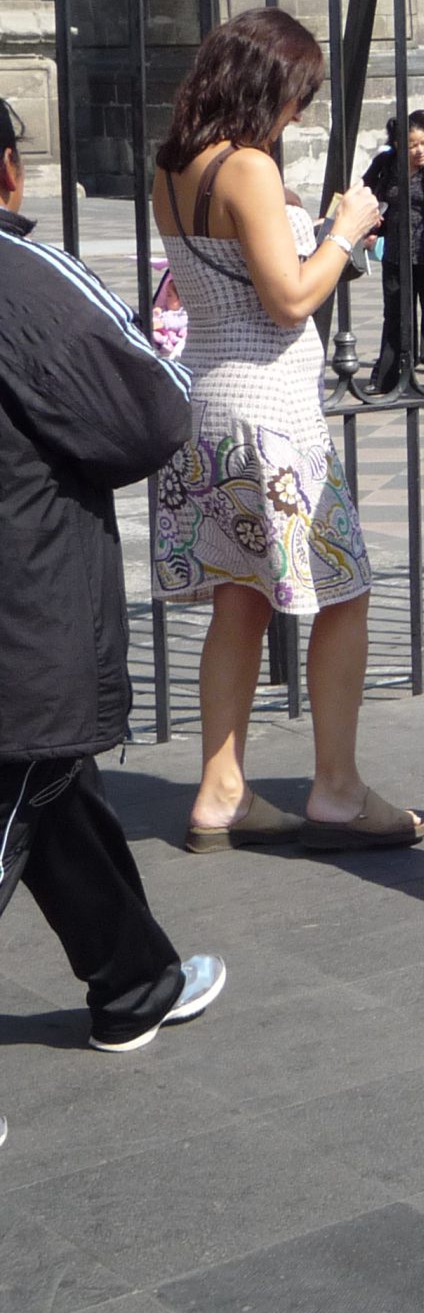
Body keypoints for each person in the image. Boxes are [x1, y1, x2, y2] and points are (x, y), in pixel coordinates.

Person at [151, 8, 424, 854]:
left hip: (206, 405)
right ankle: (336, 788)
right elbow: (290, 298)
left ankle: (220, 793)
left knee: (238, 600)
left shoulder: (173, 165)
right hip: (272, 415)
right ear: (265, 85)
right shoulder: (248, 167)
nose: (298, 115)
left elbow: (234, 274)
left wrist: (302, 222)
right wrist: (346, 230)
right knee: (345, 591)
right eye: (297, 97)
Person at [1, 118, 227, 1052]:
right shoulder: (23, 275)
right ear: (9, 171)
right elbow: (149, 411)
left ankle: (136, 982)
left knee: (51, 783)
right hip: (24, 611)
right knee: (24, 776)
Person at [362, 108, 424, 392]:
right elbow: (365, 191)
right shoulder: (385, 164)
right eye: (413, 145)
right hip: (396, 255)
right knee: (395, 316)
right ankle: (387, 380)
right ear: (398, 145)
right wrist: (371, 225)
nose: (421, 150)